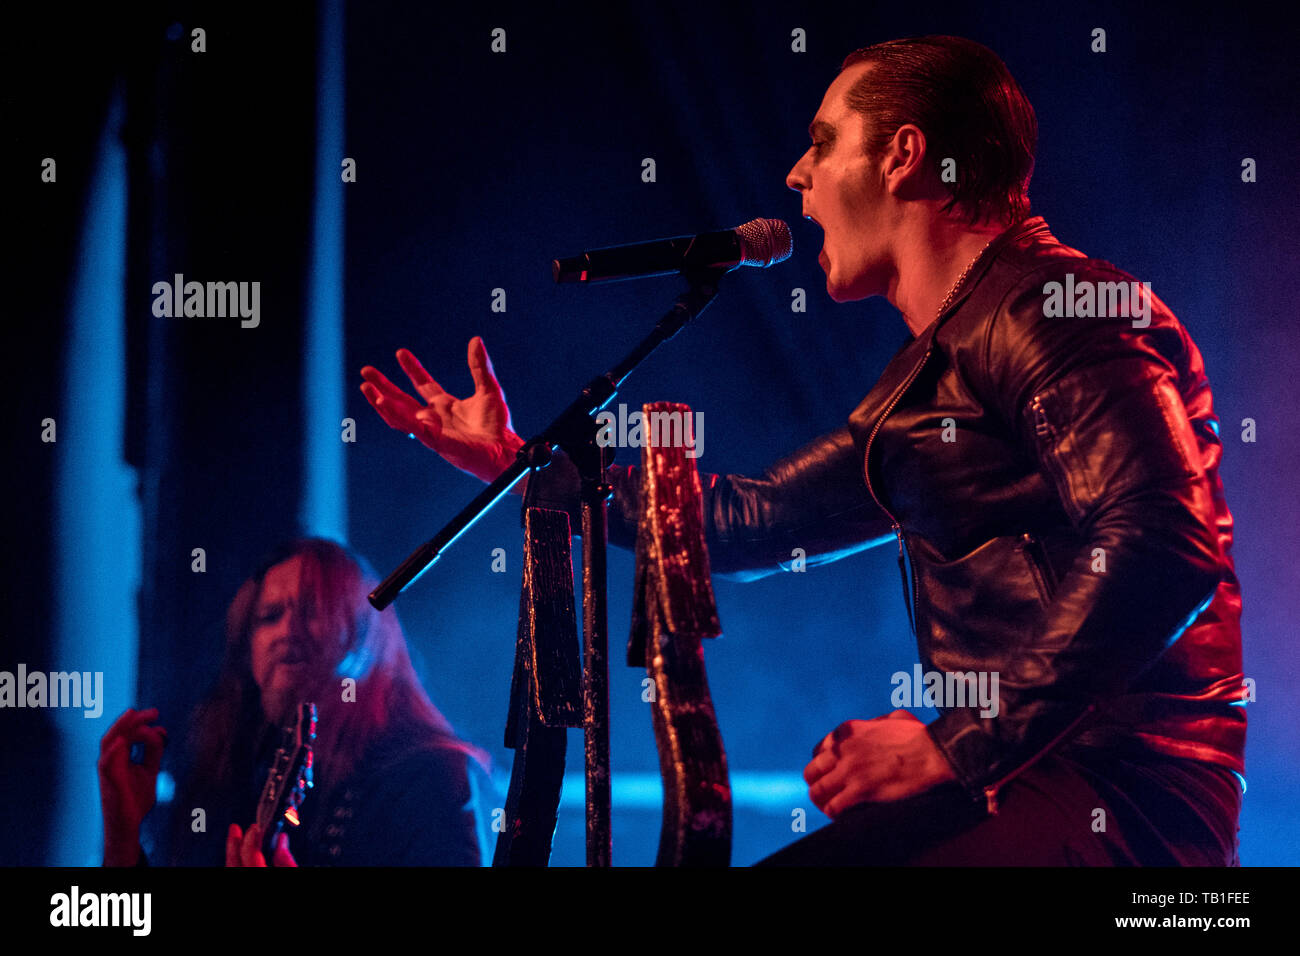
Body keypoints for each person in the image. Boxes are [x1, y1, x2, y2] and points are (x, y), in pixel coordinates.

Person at [358, 36, 1245, 865]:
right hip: (1035, 775)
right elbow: (753, 519)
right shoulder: (947, 359)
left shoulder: (1049, 307)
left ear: (903, 156)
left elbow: (1163, 540)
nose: (797, 175)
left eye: (824, 143)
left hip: (1120, 800)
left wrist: (956, 742)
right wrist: (515, 459)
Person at [99, 538, 486, 866]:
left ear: (366, 635)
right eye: (269, 616)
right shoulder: (230, 779)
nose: (287, 630)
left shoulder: (429, 774)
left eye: (312, 611)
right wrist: (123, 836)